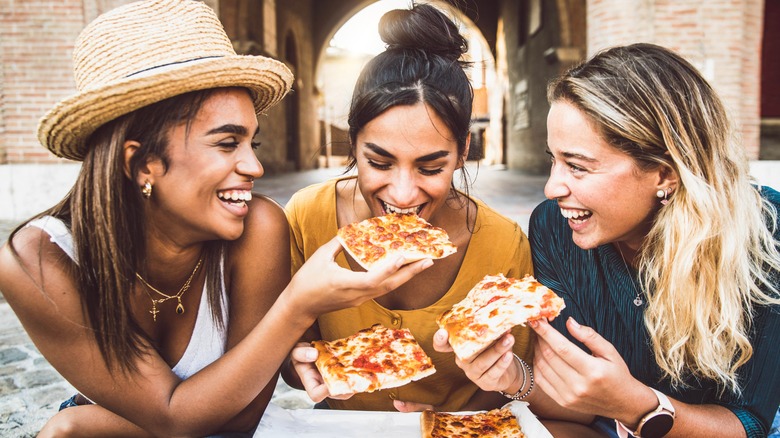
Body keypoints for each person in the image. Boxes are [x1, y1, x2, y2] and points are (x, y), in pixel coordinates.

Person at [0, 1, 430, 436]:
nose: (254, 168)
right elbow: (172, 418)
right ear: (142, 162)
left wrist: (82, 422)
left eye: (252, 145)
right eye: (227, 144)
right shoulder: (38, 262)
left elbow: (241, 420)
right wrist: (299, 303)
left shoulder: (259, 227)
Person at [449, 43, 780, 437]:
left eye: (577, 166)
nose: (552, 187)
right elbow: (584, 408)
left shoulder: (765, 231)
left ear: (664, 173)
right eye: (553, 160)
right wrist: (511, 377)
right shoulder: (553, 228)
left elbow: (752, 423)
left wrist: (636, 405)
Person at [281, 3, 539, 413]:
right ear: (353, 143)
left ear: (463, 151)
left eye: (431, 167)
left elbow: (519, 381)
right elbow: (295, 360)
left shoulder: (502, 245)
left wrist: (447, 421)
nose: (402, 194)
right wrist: (302, 367)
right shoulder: (306, 217)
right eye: (379, 162)